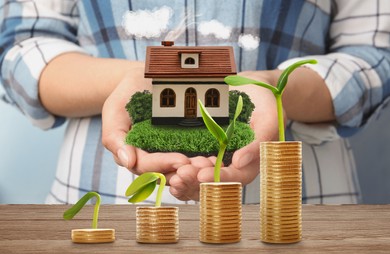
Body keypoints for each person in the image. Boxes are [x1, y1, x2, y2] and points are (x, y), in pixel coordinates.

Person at [1, 0, 389, 204]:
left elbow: (376, 56)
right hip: (102, 197)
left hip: (298, 205)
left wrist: (274, 88)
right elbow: (22, 44)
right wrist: (127, 80)